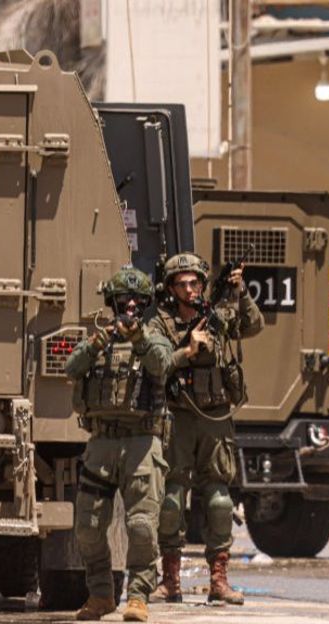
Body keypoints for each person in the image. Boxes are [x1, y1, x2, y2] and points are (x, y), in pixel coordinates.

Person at [146, 252, 263, 605]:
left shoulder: (218, 318)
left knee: (219, 500)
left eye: (194, 281)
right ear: (170, 288)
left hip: (215, 419)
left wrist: (239, 291)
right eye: (180, 283)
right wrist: (187, 350)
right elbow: (155, 361)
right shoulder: (160, 323)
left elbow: (254, 325)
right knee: (170, 501)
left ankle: (219, 580)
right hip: (179, 419)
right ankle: (170, 580)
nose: (188, 288)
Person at [65, 266, 174, 622]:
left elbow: (162, 363)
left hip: (142, 443)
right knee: (88, 525)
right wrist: (98, 341)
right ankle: (100, 594)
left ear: (144, 305)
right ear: (112, 302)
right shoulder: (100, 339)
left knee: (141, 526)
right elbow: (71, 366)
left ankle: (139, 595)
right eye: (123, 299)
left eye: (136, 300)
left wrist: (139, 338)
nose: (129, 305)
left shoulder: (155, 336)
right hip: (101, 443)